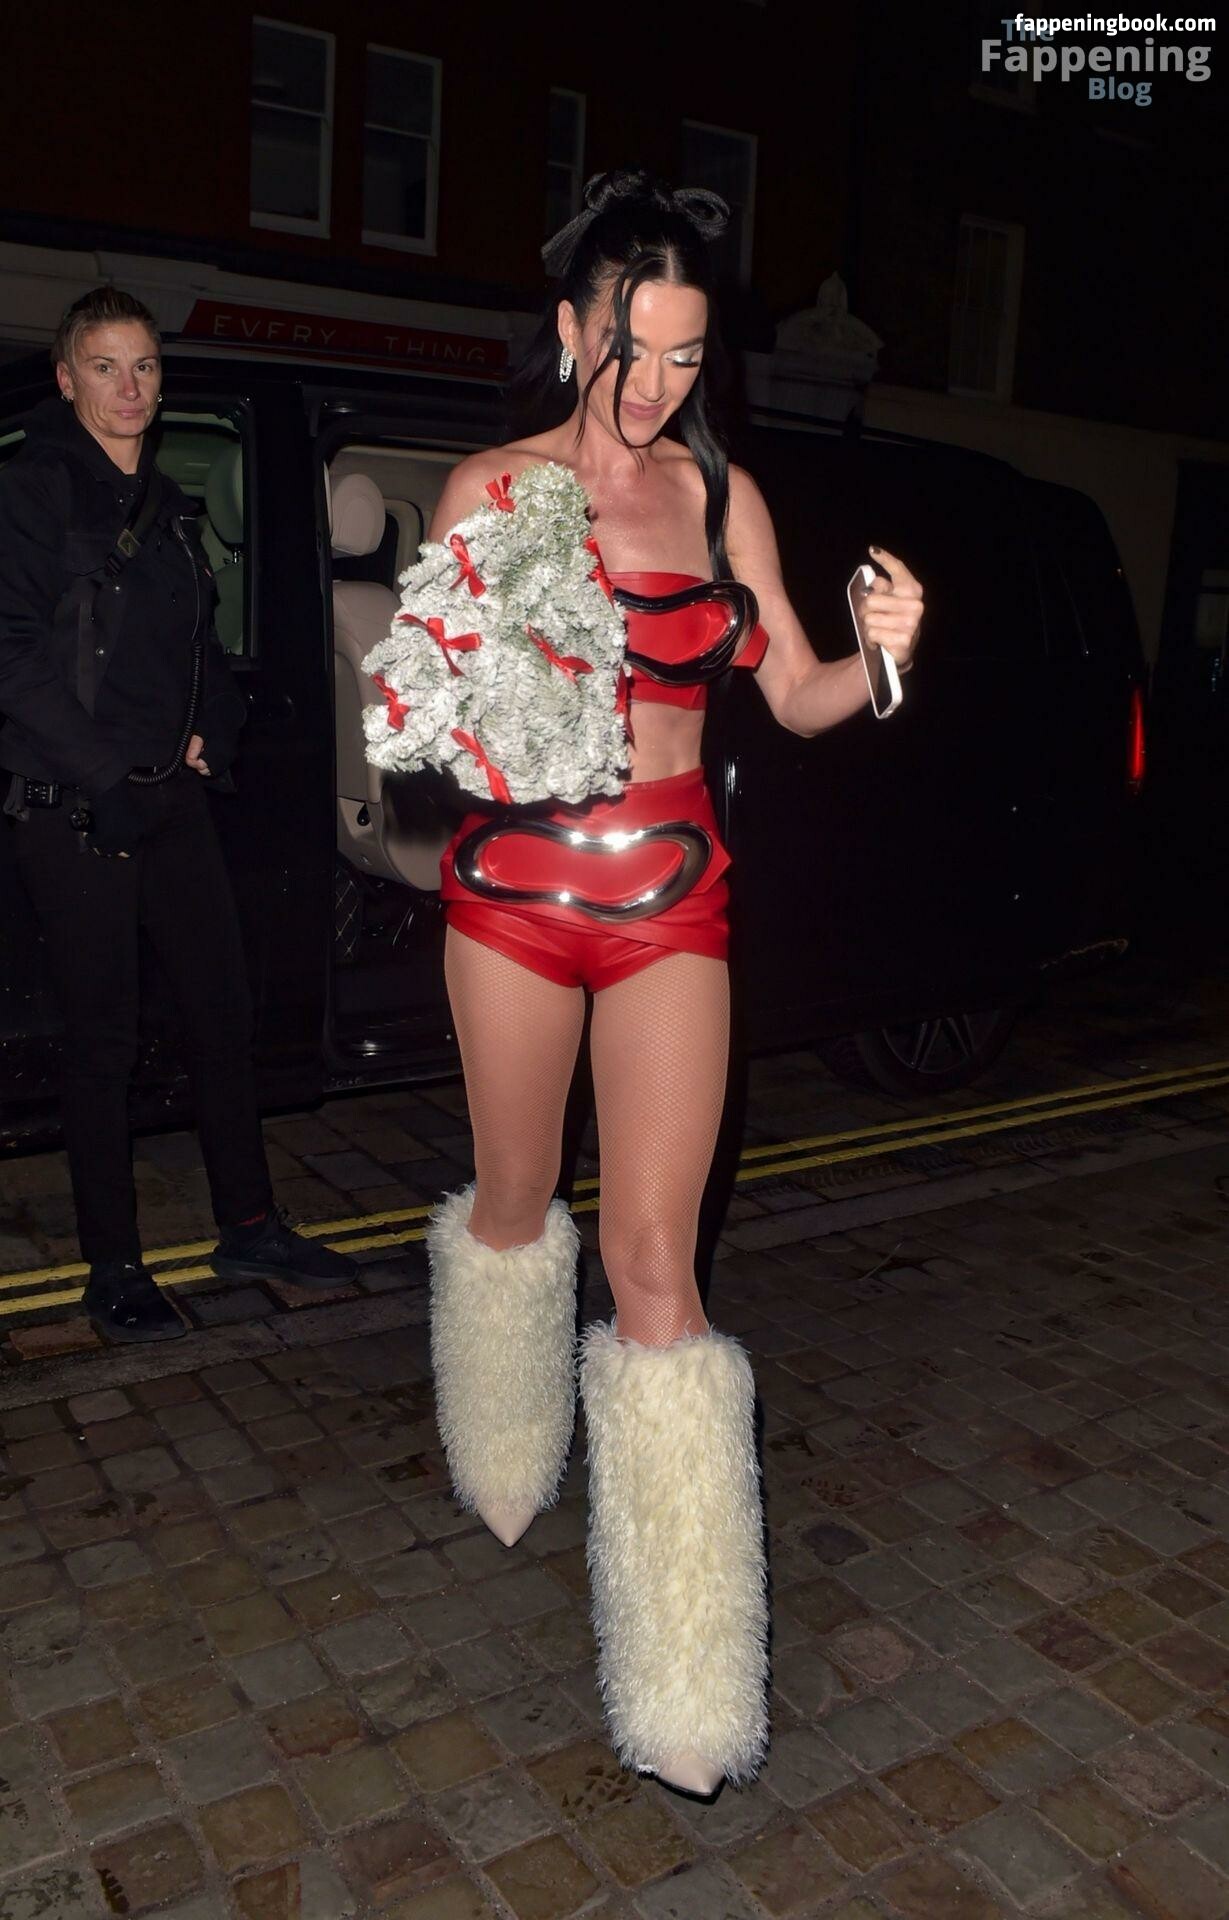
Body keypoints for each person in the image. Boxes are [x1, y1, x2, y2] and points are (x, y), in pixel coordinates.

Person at [421, 172, 923, 1798]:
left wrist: (887, 653)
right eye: (629, 350)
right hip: (513, 900)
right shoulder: (488, 488)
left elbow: (798, 694)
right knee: (515, 1198)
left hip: (670, 911)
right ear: (571, 329)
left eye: (687, 357)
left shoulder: (722, 502)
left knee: (654, 1262)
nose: (653, 386)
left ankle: (689, 1683)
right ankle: (504, 1441)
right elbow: (432, 713)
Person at [0, 285, 357, 1343]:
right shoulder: (33, 488)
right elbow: (11, 655)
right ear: (66, 377)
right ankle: (113, 1269)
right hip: (76, 807)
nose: (129, 387)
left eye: (145, 366)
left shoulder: (164, 502)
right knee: (103, 1042)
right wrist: (104, 775)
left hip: (169, 797)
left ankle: (248, 1225)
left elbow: (197, 646)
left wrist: (216, 730)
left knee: (221, 1014)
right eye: (104, 366)